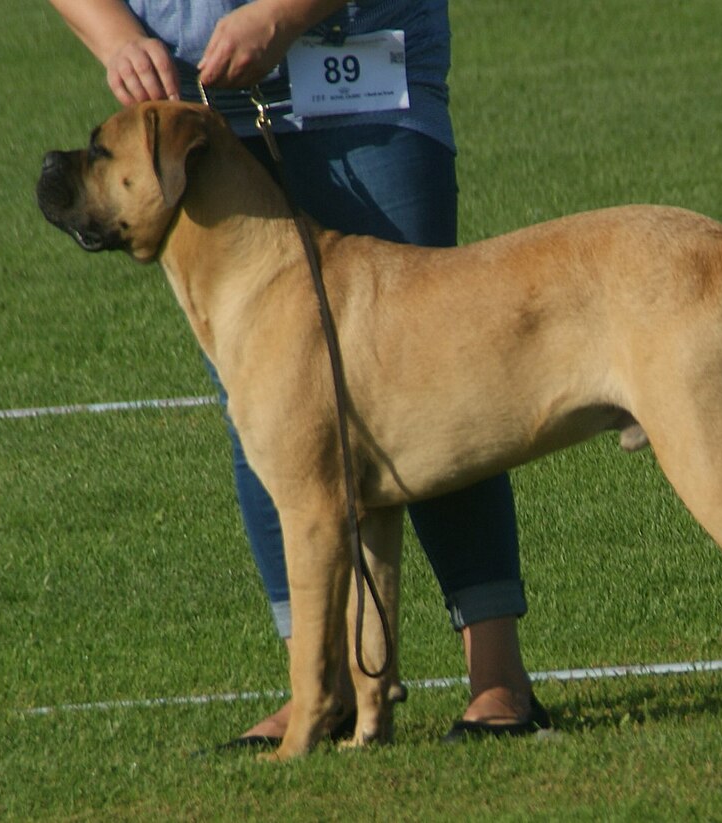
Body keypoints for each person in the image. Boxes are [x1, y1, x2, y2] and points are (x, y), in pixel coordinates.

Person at [48, 0, 551, 746]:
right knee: (274, 414)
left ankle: (496, 679)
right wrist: (118, 37)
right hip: (202, 96)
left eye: (94, 156)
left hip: (361, 62)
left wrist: (282, 16)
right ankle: (326, 689)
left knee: (445, 370)